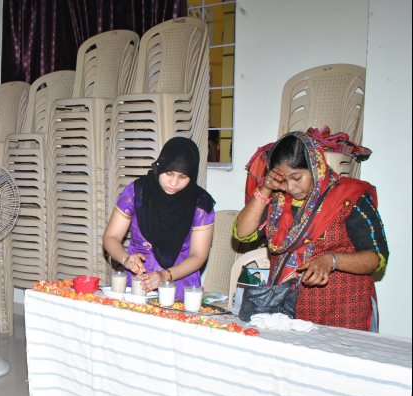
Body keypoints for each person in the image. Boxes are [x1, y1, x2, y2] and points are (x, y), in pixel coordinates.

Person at [233, 131, 388, 331]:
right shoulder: (278, 202)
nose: (291, 187)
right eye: (283, 180)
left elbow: (377, 258)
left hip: (345, 310)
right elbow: (243, 234)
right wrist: (265, 189)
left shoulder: (348, 198)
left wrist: (332, 260)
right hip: (289, 312)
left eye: (297, 177)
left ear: (315, 167)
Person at [103, 137, 216, 300]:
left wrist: (165, 275)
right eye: (169, 173)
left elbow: (198, 256)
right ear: (160, 166)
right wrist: (126, 259)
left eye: (183, 177)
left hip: (178, 284)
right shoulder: (137, 193)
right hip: (137, 282)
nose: (174, 183)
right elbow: (111, 237)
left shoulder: (200, 204)